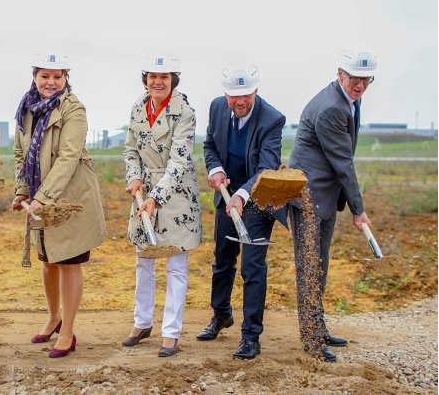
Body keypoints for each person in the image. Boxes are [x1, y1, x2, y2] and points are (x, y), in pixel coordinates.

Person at [12, 53, 106, 358]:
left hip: (70, 198)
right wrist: (22, 191)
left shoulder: (74, 109)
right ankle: (54, 317)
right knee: (48, 259)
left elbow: (68, 157)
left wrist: (43, 197)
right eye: (44, 76)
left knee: (68, 261)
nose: (50, 83)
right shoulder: (26, 108)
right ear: (35, 76)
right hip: (40, 195)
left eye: (57, 76)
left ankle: (68, 332)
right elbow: (20, 153)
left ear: (65, 77)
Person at [288, 50, 378, 362]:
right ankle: (312, 340)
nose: (361, 85)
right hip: (308, 199)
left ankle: (319, 327)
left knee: (320, 266)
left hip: (323, 197)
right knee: (310, 268)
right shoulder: (330, 108)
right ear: (340, 73)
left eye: (366, 79)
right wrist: (358, 208)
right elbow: (344, 162)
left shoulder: (348, 99)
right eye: (355, 78)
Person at [199, 66, 286, 360]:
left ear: (256, 92)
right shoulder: (216, 108)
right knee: (222, 260)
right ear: (226, 94)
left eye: (246, 96)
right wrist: (216, 168)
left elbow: (267, 168)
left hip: (257, 200)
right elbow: (210, 145)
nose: (240, 101)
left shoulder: (272, 119)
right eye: (234, 96)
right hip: (226, 197)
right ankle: (221, 315)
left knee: (252, 267)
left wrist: (242, 194)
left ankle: (251, 336)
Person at [122, 56, 202, 357]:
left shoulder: (184, 112)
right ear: (145, 78)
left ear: (173, 80)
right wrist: (134, 179)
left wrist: (156, 197)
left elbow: (180, 160)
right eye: (153, 76)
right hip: (143, 194)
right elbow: (130, 150)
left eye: (164, 77)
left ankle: (171, 332)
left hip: (175, 194)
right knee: (143, 260)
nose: (158, 82)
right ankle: (142, 323)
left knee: (175, 266)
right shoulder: (137, 107)